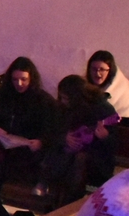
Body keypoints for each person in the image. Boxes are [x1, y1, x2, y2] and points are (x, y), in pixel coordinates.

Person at [41, 75, 120, 208]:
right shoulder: (63, 108)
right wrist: (65, 137)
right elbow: (52, 131)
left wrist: (105, 137)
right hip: (67, 154)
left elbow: (114, 144)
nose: (62, 101)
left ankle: (66, 205)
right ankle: (54, 201)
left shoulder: (103, 108)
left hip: (97, 160)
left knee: (79, 159)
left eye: (66, 98)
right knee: (61, 157)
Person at [0, 56, 57, 194]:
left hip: (27, 146)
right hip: (4, 143)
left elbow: (52, 127)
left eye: (24, 79)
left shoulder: (42, 100)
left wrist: (42, 141)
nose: (19, 84)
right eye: (15, 79)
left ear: (31, 78)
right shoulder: (3, 95)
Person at [86, 50, 129, 118]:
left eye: (102, 69)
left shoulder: (122, 89)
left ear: (110, 70)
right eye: (94, 69)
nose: (97, 73)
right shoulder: (84, 87)